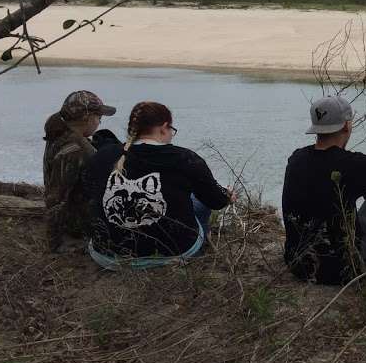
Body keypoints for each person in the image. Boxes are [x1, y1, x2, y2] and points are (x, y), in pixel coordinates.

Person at [281, 95, 366, 285]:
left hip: (298, 264)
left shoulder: (296, 159)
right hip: (343, 268)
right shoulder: (355, 165)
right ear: (346, 126)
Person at [84, 101, 233, 269]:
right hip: (174, 253)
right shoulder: (186, 159)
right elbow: (217, 201)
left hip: (107, 256)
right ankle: (199, 249)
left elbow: (89, 191)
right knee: (199, 201)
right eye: (171, 130)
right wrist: (227, 195)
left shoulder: (102, 155)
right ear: (164, 128)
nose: (171, 135)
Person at [42, 90, 117, 252]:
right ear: (87, 117)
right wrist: (56, 244)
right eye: (99, 117)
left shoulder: (60, 133)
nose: (99, 122)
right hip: (78, 224)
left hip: (75, 214)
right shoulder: (75, 150)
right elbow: (56, 198)